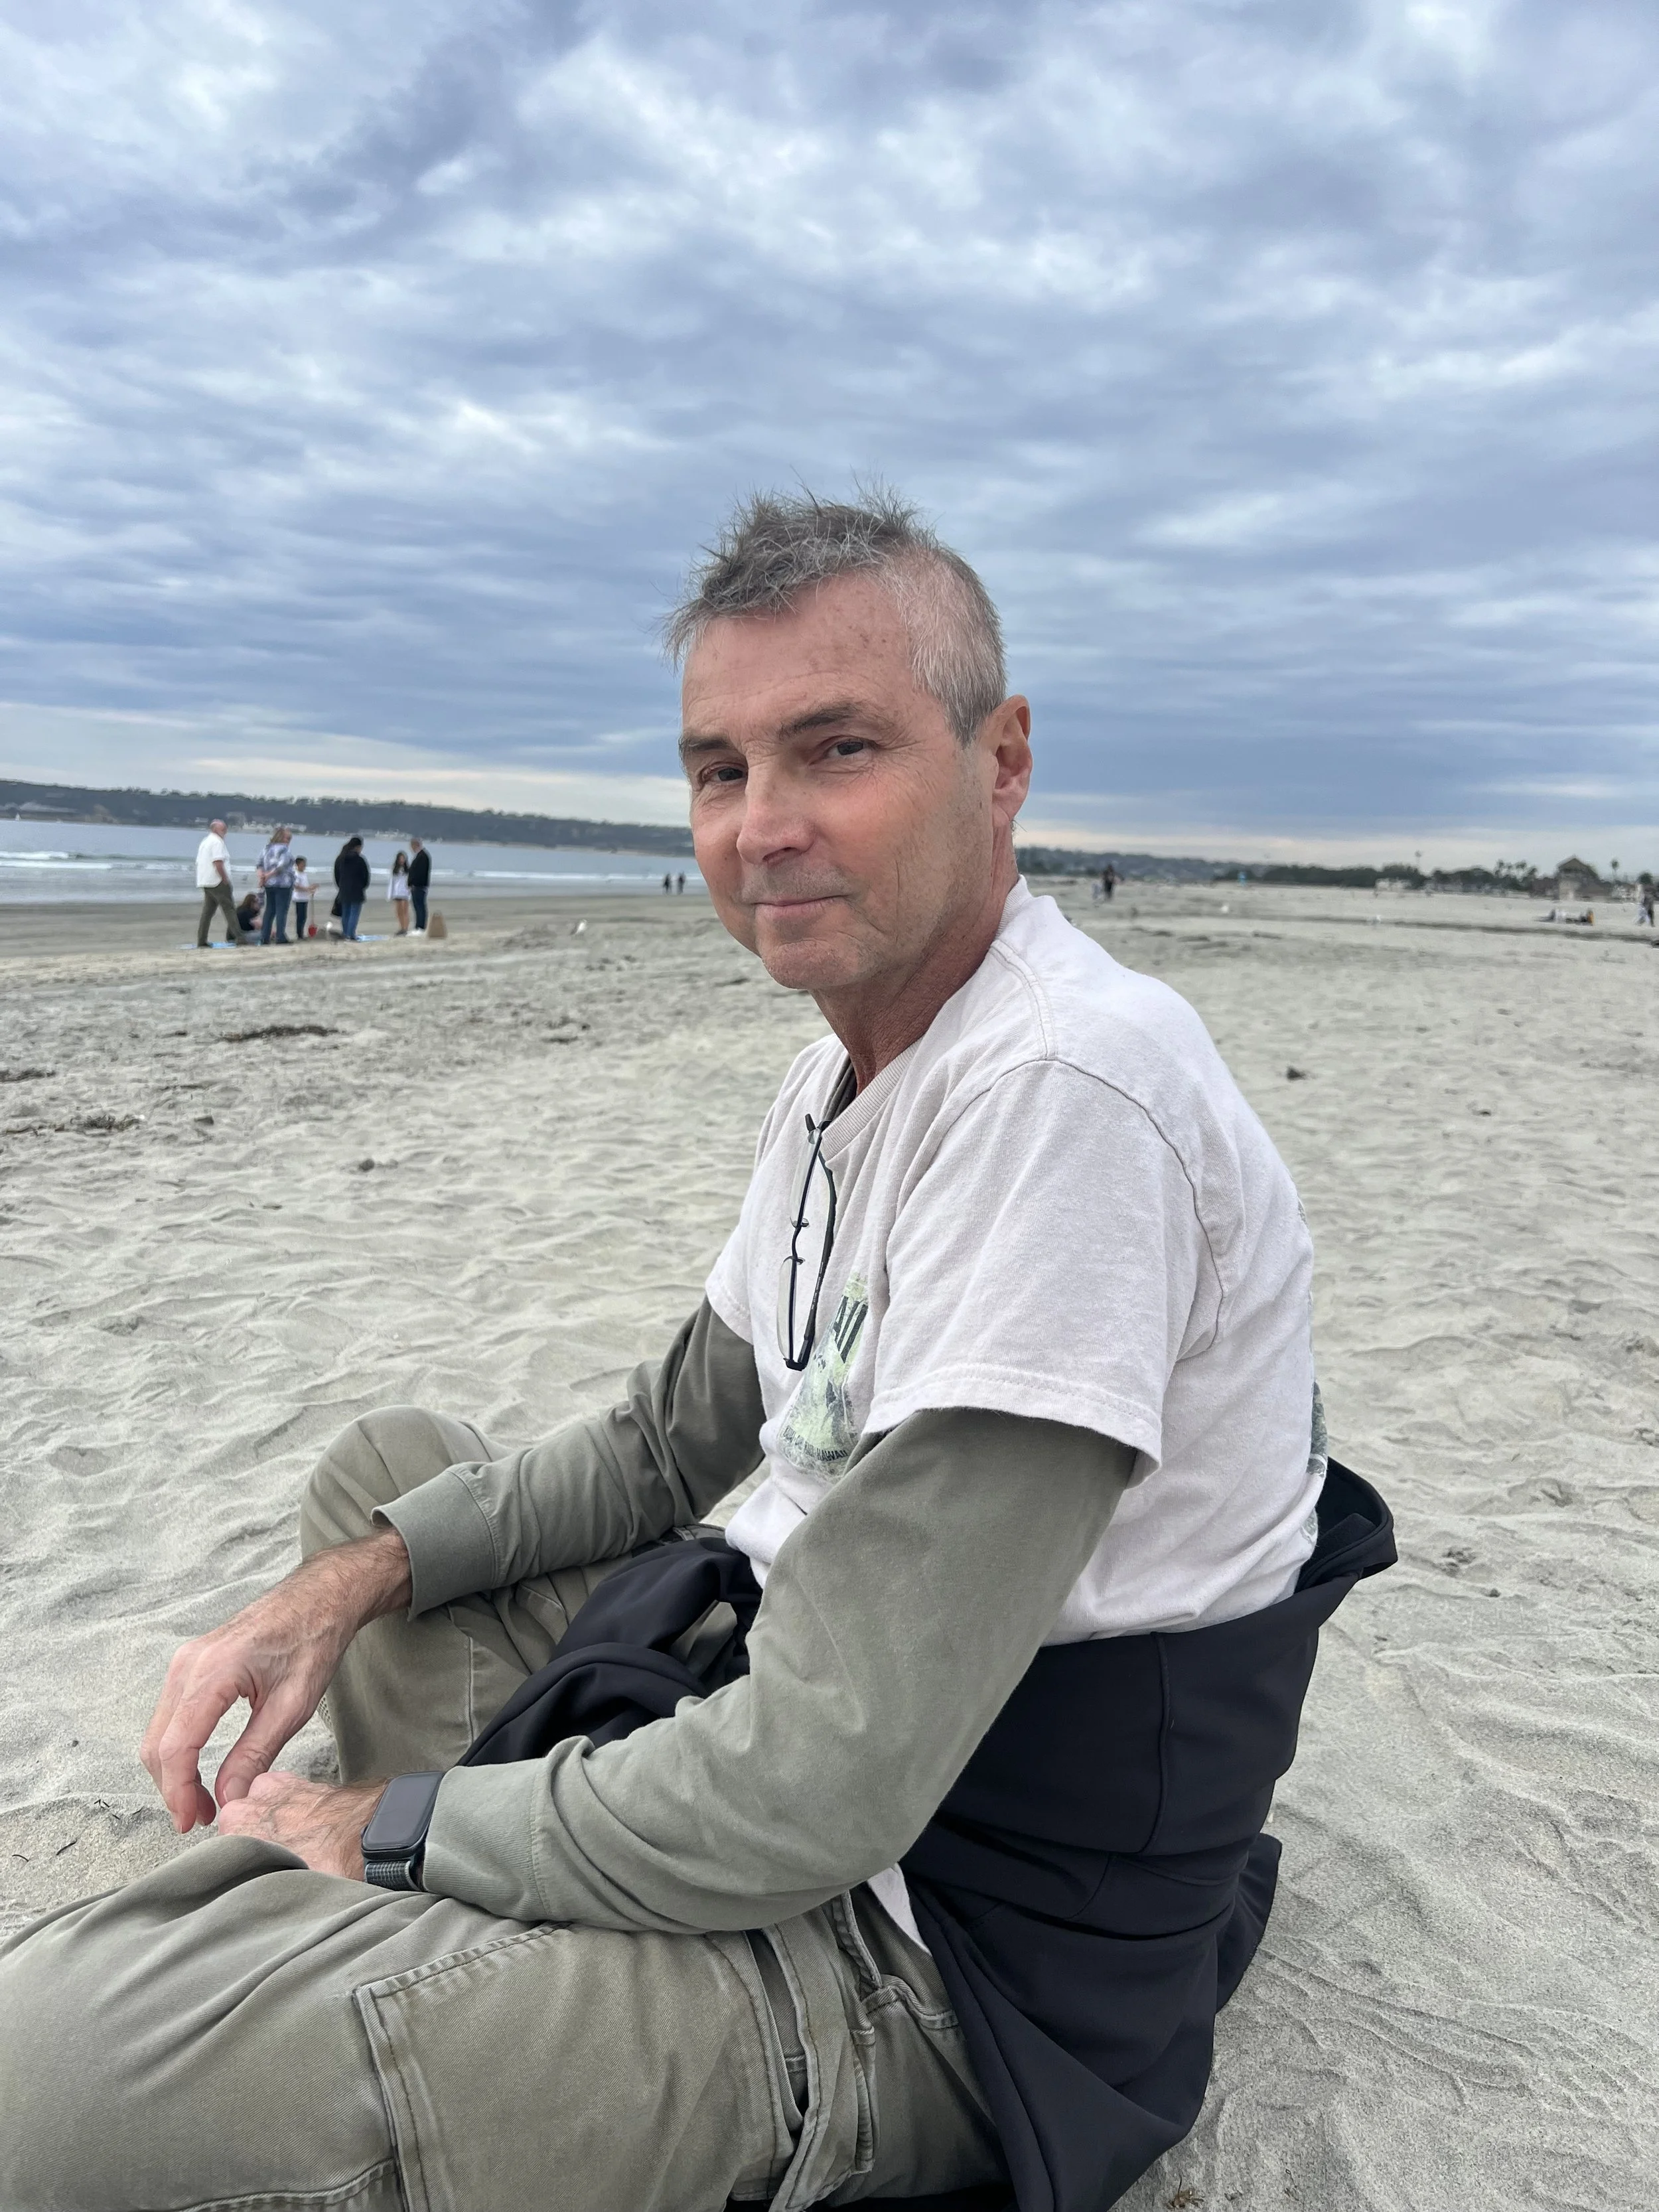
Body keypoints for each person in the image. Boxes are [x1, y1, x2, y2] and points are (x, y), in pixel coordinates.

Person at [0, 490, 1393, 2212]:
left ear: (999, 759)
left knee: (56, 2072)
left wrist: (377, 1822)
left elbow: (820, 1786)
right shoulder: (843, 1075)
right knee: (387, 1478)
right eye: (719, 768)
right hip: (775, 1694)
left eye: (834, 749)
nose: (762, 825)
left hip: (934, 1941)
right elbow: (665, 1443)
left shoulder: (1065, 1096)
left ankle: (451, 1960)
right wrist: (324, 1594)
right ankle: (455, 1938)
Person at [193, 818, 248, 946]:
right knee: (229, 909)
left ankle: (201, 940)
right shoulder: (217, 842)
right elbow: (218, 862)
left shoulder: (205, 842)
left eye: (225, 829)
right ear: (215, 829)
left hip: (206, 880)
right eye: (223, 829)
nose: (225, 832)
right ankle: (239, 937)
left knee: (208, 912)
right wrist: (224, 879)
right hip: (217, 881)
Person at [257, 826, 296, 944]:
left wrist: (262, 877)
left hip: (269, 884)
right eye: (288, 838)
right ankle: (280, 936)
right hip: (283, 884)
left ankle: (265, 937)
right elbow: (281, 866)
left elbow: (259, 864)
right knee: (281, 910)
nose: (289, 841)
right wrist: (268, 875)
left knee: (270, 910)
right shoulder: (284, 850)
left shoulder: (266, 849)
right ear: (282, 838)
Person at [333, 836, 370, 940]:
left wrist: (340, 886)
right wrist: (363, 886)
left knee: (346, 913)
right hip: (357, 890)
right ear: (358, 847)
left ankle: (346, 934)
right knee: (354, 912)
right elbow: (365, 876)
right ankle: (351, 934)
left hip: (344, 890)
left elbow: (336, 874)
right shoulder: (360, 859)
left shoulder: (341, 858)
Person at [407, 836, 431, 932]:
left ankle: (421, 927)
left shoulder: (423, 856)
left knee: (420, 906)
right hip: (417, 886)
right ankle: (418, 926)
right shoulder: (420, 856)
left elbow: (420, 873)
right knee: (417, 907)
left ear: (415, 845)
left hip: (419, 886)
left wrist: (413, 883)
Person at [291, 855, 316, 939]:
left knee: (304, 917)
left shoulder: (304, 874)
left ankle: (301, 933)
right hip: (298, 898)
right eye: (303, 865)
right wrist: (308, 889)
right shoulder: (296, 874)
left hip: (305, 898)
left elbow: (305, 885)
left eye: (305, 865)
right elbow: (297, 886)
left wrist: (311, 889)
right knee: (300, 917)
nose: (304, 866)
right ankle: (299, 934)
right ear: (297, 865)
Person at [389, 849, 411, 936]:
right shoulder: (395, 870)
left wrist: (409, 890)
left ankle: (406, 928)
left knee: (405, 911)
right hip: (397, 892)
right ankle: (401, 928)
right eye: (401, 859)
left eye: (403, 859)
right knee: (399, 912)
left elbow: (410, 881)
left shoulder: (408, 870)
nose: (402, 860)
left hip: (405, 892)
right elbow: (392, 882)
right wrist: (391, 893)